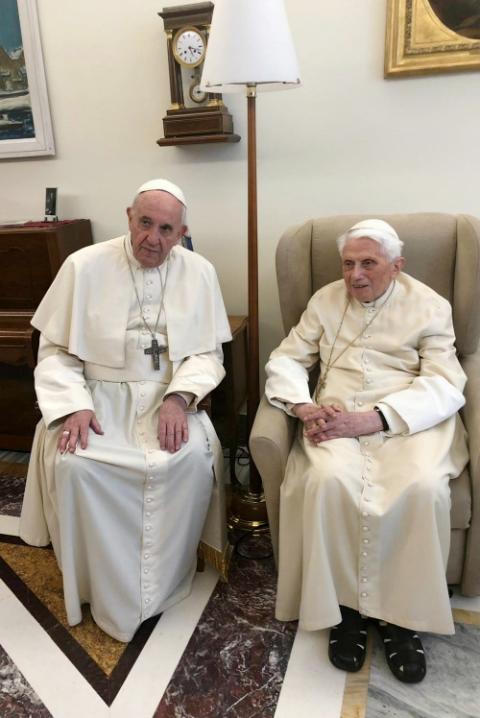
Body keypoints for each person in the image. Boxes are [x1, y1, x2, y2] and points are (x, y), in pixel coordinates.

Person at [19, 179, 232, 642]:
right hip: (96, 397)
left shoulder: (199, 272)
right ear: (129, 217)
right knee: (76, 466)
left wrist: (180, 398)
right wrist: (73, 405)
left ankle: (162, 583)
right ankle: (99, 587)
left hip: (167, 396)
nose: (152, 239)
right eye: (145, 223)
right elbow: (54, 351)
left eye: (166, 229)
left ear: (182, 233)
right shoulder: (84, 265)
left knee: (189, 457)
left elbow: (207, 355)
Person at [265, 219, 468, 683]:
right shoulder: (324, 301)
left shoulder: (430, 306)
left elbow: (445, 381)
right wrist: (302, 405)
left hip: (408, 422)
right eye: (348, 263)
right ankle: (344, 610)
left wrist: (375, 418)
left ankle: (402, 620)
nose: (355, 275)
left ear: (396, 266)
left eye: (368, 264)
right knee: (325, 480)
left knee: (422, 488)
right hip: (333, 418)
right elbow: (287, 358)